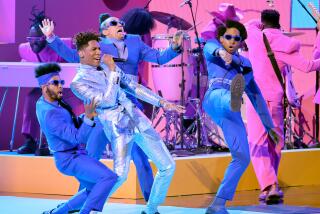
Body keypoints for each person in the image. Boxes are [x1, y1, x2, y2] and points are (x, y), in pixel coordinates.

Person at [39, 15, 183, 201]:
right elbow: (74, 55)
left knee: (142, 161)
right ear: (104, 31)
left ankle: (150, 204)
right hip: (103, 113)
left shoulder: (135, 41)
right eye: (114, 23)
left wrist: (174, 48)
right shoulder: (98, 46)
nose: (120, 25)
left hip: (129, 105)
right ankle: (80, 203)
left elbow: (158, 57)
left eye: (121, 23)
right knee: (92, 158)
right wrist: (51, 37)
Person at [70, 31, 185, 214]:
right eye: (94, 49)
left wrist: (162, 102)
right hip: (117, 126)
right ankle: (75, 207)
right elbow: (106, 101)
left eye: (99, 48)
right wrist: (114, 71)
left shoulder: (107, 67)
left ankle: (151, 209)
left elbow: (133, 87)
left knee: (168, 165)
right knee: (119, 176)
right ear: (81, 53)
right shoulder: (78, 83)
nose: (99, 52)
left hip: (137, 118)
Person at [202, 20, 279, 214]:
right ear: (221, 39)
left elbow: (256, 97)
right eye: (228, 37)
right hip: (215, 97)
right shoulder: (214, 51)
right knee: (226, 97)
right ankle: (233, 96)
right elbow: (209, 45)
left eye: (237, 38)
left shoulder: (246, 64)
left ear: (241, 42)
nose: (232, 41)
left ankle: (218, 204)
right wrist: (221, 53)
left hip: (231, 111)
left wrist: (270, 127)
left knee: (242, 157)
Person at [245, 9, 320, 203]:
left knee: (257, 143)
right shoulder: (285, 43)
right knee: (275, 144)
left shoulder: (253, 35)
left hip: (256, 98)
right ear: (279, 24)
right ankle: (271, 185)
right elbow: (308, 66)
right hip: (273, 100)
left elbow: (251, 24)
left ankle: (270, 186)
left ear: (263, 22)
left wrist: (260, 24)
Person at [35, 63, 117, 214]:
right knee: (109, 178)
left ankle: (57, 212)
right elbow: (76, 138)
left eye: (61, 82)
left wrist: (84, 118)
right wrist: (88, 117)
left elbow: (69, 124)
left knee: (93, 188)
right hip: (70, 159)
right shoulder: (50, 113)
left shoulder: (46, 102)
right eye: (55, 83)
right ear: (43, 86)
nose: (60, 86)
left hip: (72, 156)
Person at [17, 9, 82, 155]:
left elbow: (73, 68)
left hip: (65, 89)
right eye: (30, 40)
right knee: (31, 98)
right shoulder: (25, 50)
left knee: (57, 104)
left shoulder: (60, 48)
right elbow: (23, 70)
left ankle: (55, 143)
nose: (33, 44)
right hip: (44, 90)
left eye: (37, 40)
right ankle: (31, 140)